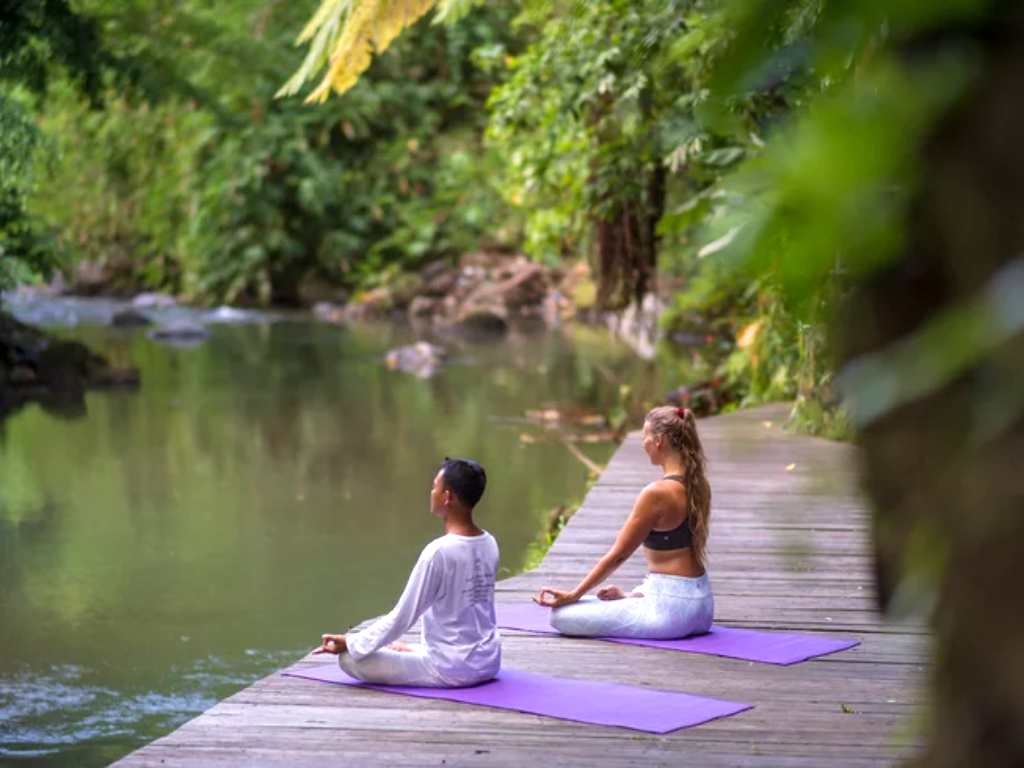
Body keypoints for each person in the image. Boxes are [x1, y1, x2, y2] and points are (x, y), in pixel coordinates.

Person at [314, 457, 501, 687]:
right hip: (488, 661)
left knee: (350, 660)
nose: (431, 492)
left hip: (452, 668)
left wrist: (351, 642)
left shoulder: (439, 552)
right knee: (393, 647)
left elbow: (402, 617)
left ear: (447, 497)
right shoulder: (489, 542)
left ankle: (418, 654)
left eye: (435, 486)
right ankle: (418, 652)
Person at [534, 406, 713, 639]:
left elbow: (618, 555)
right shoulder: (700, 485)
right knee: (593, 602)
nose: (643, 443)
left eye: (644, 437)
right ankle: (632, 600)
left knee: (562, 615)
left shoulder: (657, 493)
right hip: (702, 606)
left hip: (672, 611)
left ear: (658, 441)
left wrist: (574, 595)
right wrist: (630, 596)